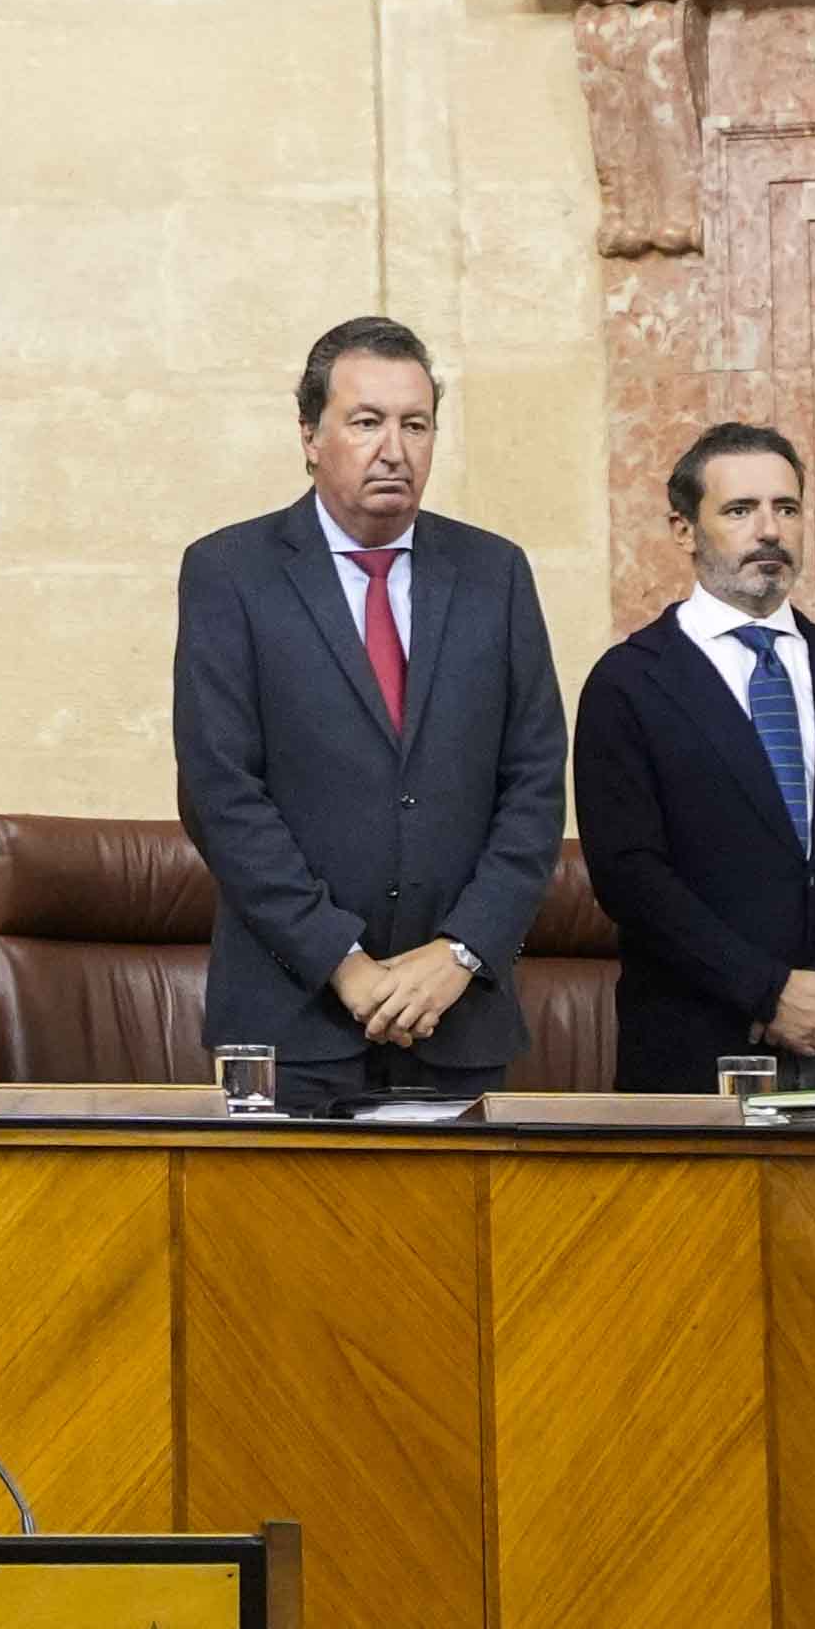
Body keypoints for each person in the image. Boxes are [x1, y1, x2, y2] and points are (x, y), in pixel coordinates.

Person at [168, 313, 564, 1115]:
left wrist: (460, 952)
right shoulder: (230, 572)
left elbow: (534, 783)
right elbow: (221, 792)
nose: (394, 448)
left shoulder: (493, 573)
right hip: (290, 1021)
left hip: (456, 1017)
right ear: (309, 434)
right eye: (366, 421)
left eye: (415, 424)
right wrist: (342, 963)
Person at [570, 422, 815, 1092]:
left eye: (786, 508)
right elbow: (630, 877)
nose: (769, 530)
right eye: (740, 510)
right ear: (684, 529)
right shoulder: (630, 681)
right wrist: (768, 991)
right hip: (698, 1056)